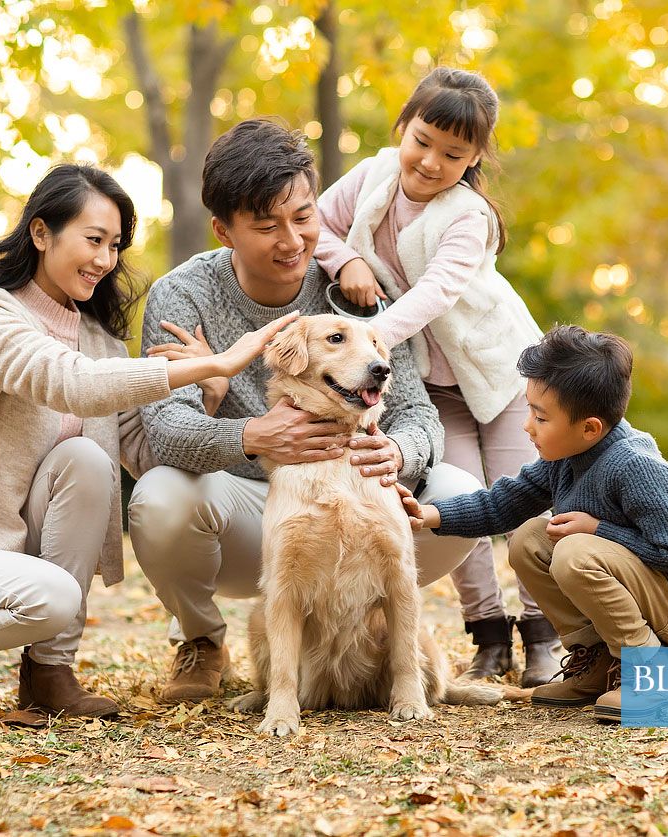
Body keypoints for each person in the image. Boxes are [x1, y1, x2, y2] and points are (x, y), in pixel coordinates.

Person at [0, 164, 296, 719]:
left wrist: (210, 394)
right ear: (42, 233)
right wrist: (215, 361)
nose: (105, 259)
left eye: (115, 245)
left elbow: (146, 458)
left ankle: (49, 675)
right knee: (55, 596)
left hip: (12, 561)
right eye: (93, 239)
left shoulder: (99, 344)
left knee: (86, 460)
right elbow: (67, 382)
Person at [128, 119, 486, 704]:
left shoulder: (354, 289)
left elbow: (417, 414)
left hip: (360, 505)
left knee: (457, 487)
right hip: (253, 513)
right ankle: (200, 640)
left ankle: (373, 640)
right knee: (162, 496)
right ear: (224, 231)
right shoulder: (183, 295)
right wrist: (255, 434)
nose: (293, 241)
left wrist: (401, 451)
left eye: (303, 217)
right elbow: (166, 430)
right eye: (267, 226)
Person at [312, 67, 562, 687]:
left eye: (453, 154)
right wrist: (344, 258)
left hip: (499, 373)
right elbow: (314, 221)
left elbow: (435, 293)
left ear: (475, 157)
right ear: (404, 126)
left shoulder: (468, 215)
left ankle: (544, 635)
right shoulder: (372, 177)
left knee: (525, 499)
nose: (430, 162)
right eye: (422, 140)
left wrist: (372, 340)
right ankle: (487, 635)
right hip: (432, 381)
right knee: (457, 503)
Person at [398, 326, 668, 723]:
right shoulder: (566, 458)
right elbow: (505, 503)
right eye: (529, 410)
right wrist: (431, 514)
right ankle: (597, 661)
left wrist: (598, 530)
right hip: (651, 600)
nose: (528, 426)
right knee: (529, 538)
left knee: (574, 550)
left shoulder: (636, 467)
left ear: (590, 427)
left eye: (541, 417)